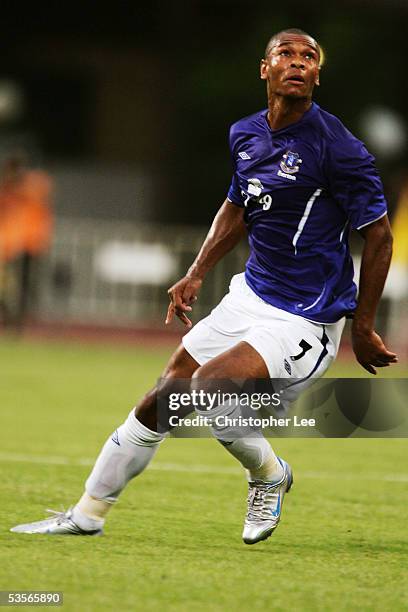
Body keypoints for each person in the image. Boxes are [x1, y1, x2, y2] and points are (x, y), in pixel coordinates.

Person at [11, 28, 397, 544]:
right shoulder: (246, 133)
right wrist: (195, 270)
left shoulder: (338, 147)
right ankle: (87, 513)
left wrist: (365, 325)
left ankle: (269, 475)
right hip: (251, 296)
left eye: (309, 57)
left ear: (317, 76)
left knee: (212, 389)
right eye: (287, 54)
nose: (299, 62)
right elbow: (238, 206)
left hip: (305, 318)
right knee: (162, 398)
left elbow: (380, 235)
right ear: (266, 69)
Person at [0, 155, 53, 327]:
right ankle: (12, 316)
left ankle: (18, 318)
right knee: (10, 284)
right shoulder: (7, 190)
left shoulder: (32, 185)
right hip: (10, 245)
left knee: (24, 283)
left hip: (29, 243)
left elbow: (40, 192)